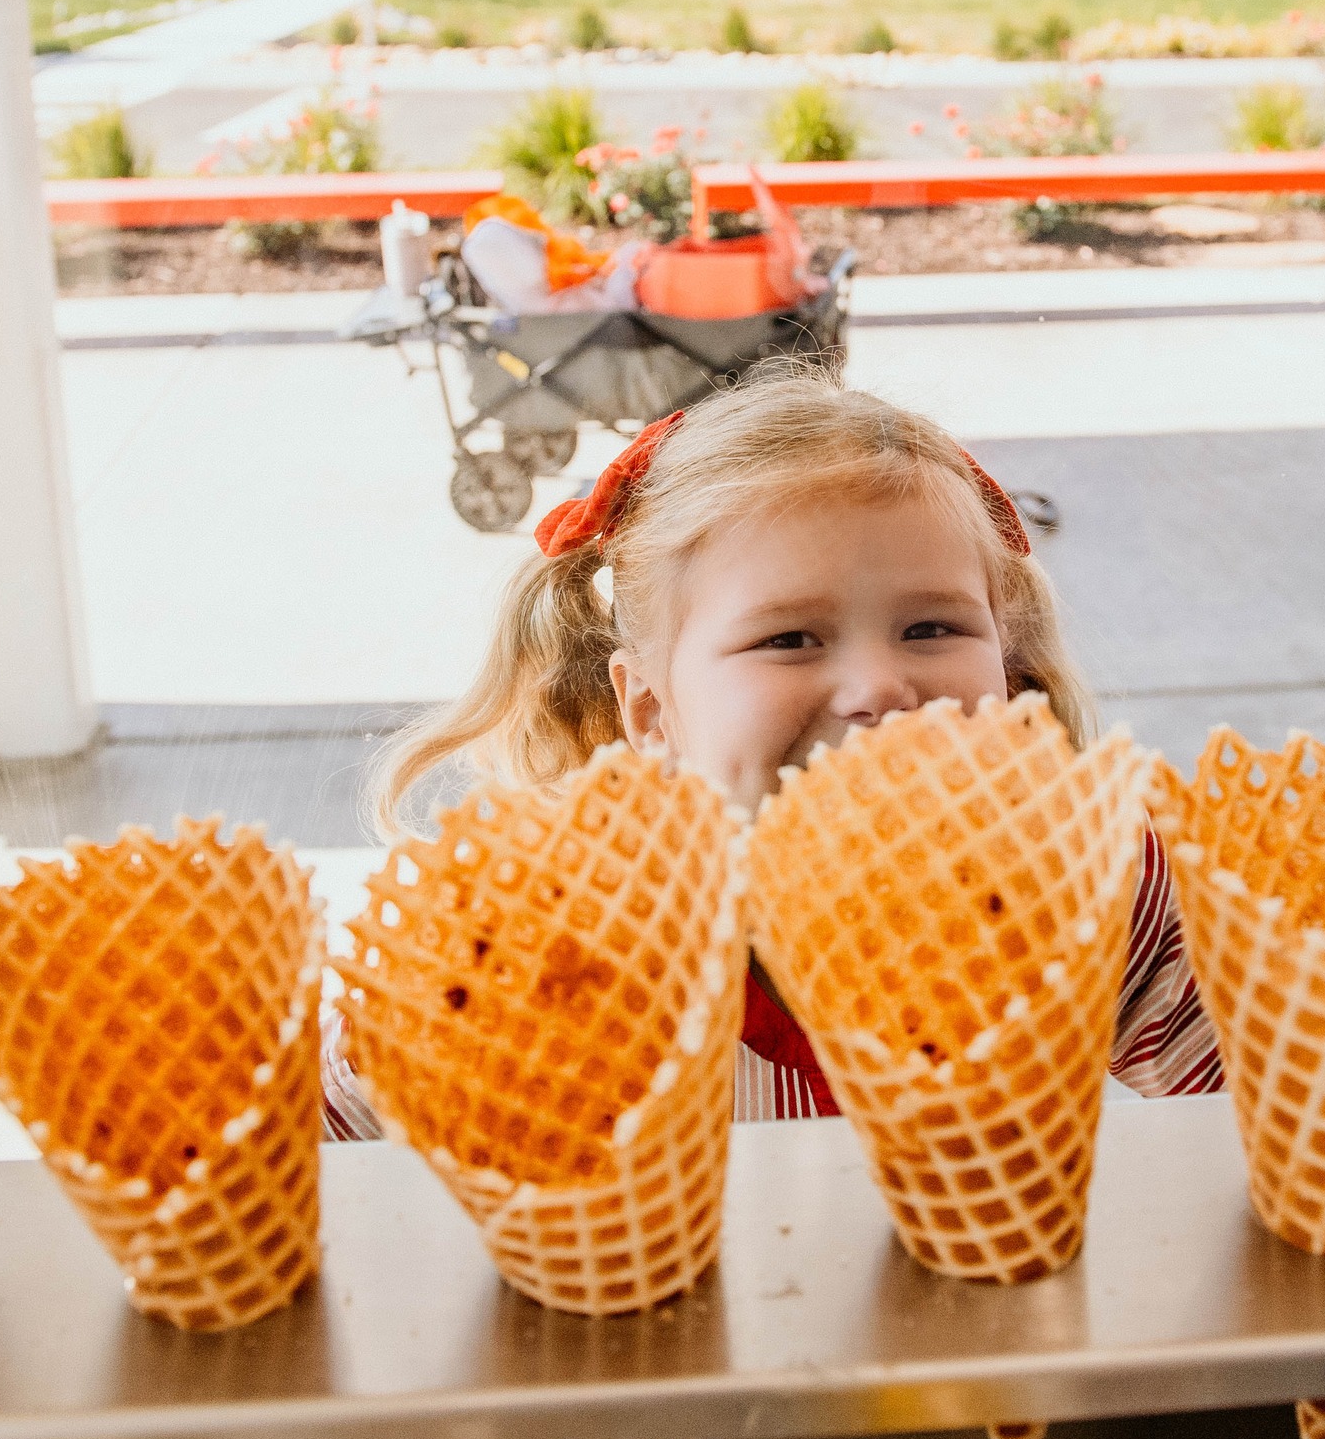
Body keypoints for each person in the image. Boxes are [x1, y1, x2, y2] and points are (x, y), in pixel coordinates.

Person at [323, 369, 1219, 1135]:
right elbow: (319, 1149)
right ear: (651, 710)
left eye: (931, 628)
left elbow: (1258, 1101)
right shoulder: (536, 942)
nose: (878, 688)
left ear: (1010, 672)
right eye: (789, 639)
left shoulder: (1097, 885)